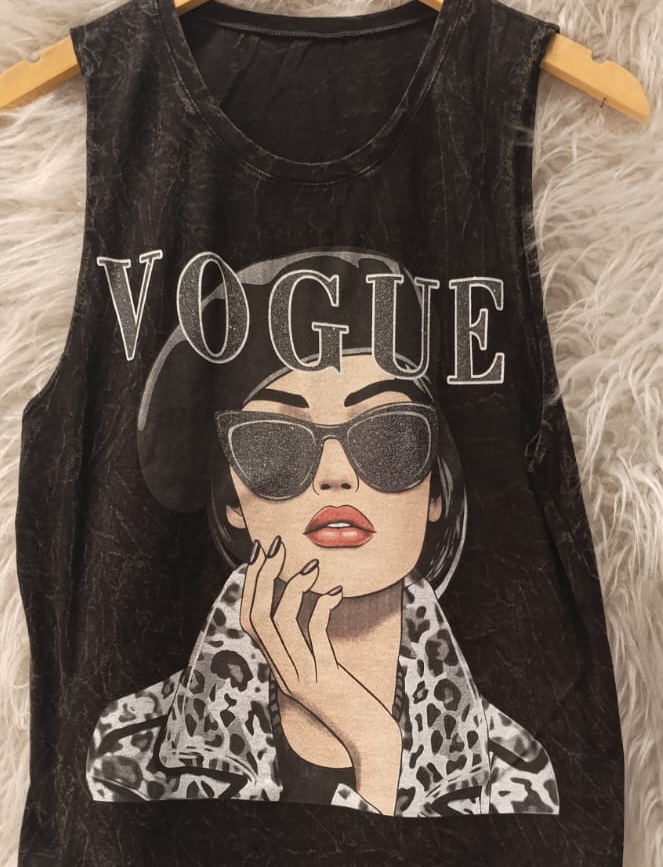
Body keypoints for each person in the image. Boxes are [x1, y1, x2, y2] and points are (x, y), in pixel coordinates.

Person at [85, 248, 559, 816]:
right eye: (275, 442)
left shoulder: (513, 773)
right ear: (232, 502)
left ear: (437, 489)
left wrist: (375, 746)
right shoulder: (132, 753)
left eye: (387, 436)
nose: (336, 476)